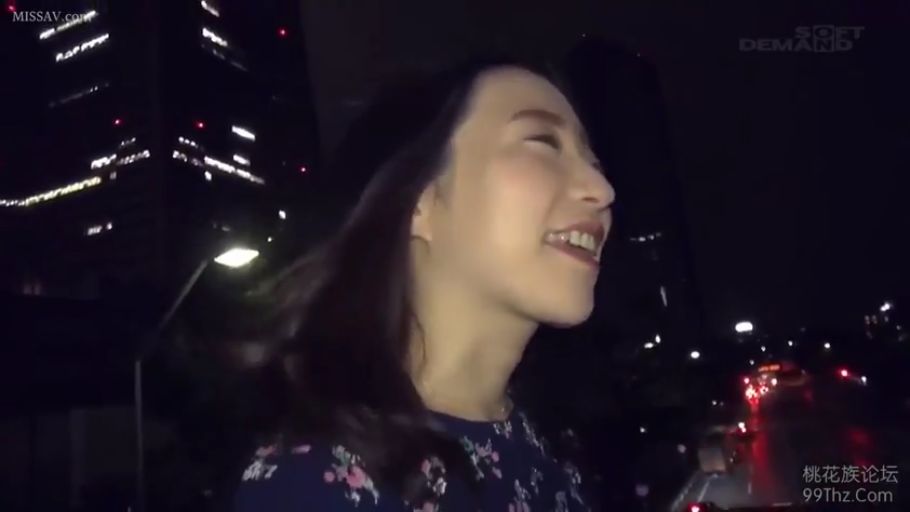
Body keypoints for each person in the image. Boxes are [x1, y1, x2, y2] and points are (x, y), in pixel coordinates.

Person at [231, 56, 615, 512]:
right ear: (420, 202)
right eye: (543, 142)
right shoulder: (312, 486)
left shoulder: (552, 448)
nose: (602, 189)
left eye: (594, 162)